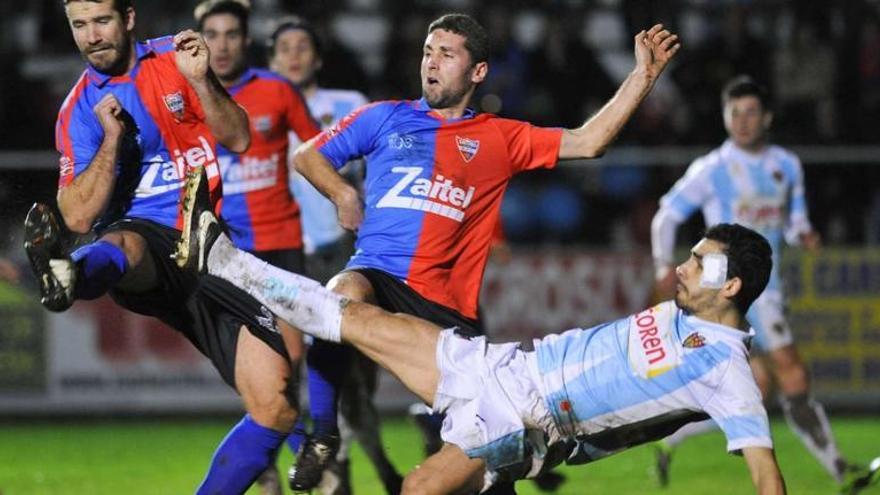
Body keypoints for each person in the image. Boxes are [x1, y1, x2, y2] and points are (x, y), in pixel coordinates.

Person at [284, 14, 680, 493]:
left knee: (480, 478)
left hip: (448, 314)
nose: (430, 63)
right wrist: (344, 194)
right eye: (428, 51)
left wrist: (642, 76)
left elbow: (588, 141)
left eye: (446, 54)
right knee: (337, 296)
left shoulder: (499, 137)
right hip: (378, 274)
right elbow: (308, 155)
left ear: (477, 73)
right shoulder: (383, 117)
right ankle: (323, 435)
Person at [180, 186, 790, 494]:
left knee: (419, 489)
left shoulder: (728, 370)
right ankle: (223, 259)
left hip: (525, 418)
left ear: (731, 284)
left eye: (700, 263)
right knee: (355, 318)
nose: (682, 268)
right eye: (689, 255)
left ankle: (223, 261)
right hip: (500, 365)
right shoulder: (685, 312)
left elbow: (766, 476)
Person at [24, 1, 302, 493]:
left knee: (275, 406)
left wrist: (201, 81)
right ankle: (71, 275)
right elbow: (76, 216)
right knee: (127, 242)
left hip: (210, 252)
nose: (91, 36)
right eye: (79, 25)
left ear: (129, 17)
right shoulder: (79, 110)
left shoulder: (178, 60)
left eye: (101, 21)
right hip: (139, 250)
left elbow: (238, 138)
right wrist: (112, 138)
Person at [650, 75, 880, 493]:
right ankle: (840, 470)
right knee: (792, 376)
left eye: (751, 112)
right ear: (724, 117)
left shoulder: (786, 165)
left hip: (767, 287)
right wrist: (663, 266)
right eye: (734, 112)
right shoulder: (712, 169)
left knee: (756, 387)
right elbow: (665, 215)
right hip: (726, 288)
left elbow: (793, 221)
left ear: (767, 117)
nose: (742, 120)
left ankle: (673, 436)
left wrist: (803, 234)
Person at [267, 16, 403, 495]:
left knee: (349, 380)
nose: (295, 54)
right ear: (271, 58)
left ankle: (360, 467)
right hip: (282, 259)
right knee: (281, 374)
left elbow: (380, 172)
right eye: (285, 46)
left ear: (318, 57)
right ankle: (337, 471)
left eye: (304, 45)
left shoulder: (348, 106)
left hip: (342, 257)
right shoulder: (257, 109)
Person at [194, 2, 324, 493]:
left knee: (288, 367)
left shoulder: (277, 91)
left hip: (280, 246)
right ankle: (302, 453)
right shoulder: (186, 97)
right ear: (200, 41)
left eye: (231, 34)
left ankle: (298, 454)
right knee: (257, 374)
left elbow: (318, 148)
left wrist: (346, 194)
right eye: (213, 34)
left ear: (246, 41)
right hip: (222, 255)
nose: (222, 44)